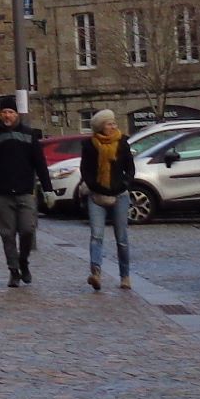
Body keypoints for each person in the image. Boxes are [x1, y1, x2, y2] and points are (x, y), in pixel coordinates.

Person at [0, 101, 50, 287]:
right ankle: (13, 270)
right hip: (2, 195)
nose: (7, 115)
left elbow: (40, 164)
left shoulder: (28, 135)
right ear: (0, 114)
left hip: (25, 192)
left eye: (10, 111)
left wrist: (48, 188)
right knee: (8, 235)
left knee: (28, 230)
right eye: (4, 112)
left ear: (16, 114)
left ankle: (23, 261)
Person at [81, 109, 138, 291]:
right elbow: (86, 170)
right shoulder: (90, 145)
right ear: (100, 126)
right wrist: (95, 186)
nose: (113, 126)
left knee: (121, 238)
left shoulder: (122, 142)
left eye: (114, 123)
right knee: (96, 236)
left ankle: (125, 276)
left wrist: (124, 184)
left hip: (120, 194)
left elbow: (130, 168)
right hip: (97, 195)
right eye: (109, 123)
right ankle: (96, 273)